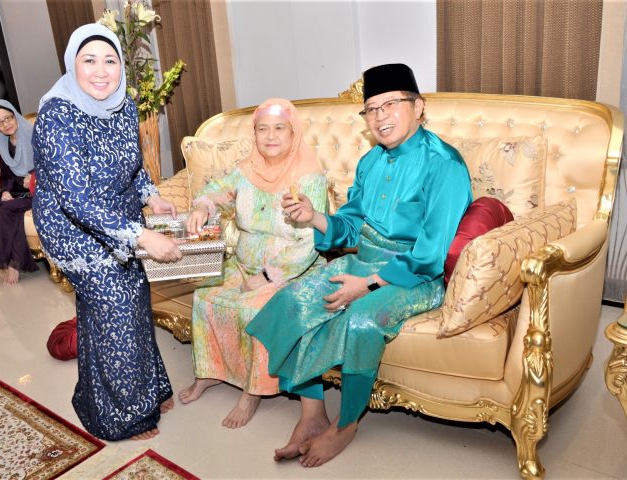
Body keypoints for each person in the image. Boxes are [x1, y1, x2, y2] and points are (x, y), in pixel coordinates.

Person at [246, 63, 473, 467]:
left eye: (391, 105)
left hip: (414, 276)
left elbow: (431, 254)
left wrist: (366, 286)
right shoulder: (370, 162)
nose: (380, 116)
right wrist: (314, 217)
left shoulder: (444, 164)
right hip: (363, 261)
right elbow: (350, 227)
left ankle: (346, 424)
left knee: (361, 320)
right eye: (371, 109)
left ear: (418, 107)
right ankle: (312, 415)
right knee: (293, 299)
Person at [32, 23, 182, 441]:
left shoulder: (124, 104)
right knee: (116, 305)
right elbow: (77, 200)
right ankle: (121, 415)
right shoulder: (57, 116)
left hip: (120, 218)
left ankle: (146, 391)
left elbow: (132, 165)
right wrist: (143, 236)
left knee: (134, 299)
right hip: (73, 229)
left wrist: (152, 197)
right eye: (89, 60)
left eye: (110, 61)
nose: (101, 71)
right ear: (72, 65)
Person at [178, 98, 328, 428]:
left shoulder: (309, 179)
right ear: (254, 134)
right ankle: (210, 371)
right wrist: (202, 206)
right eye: (263, 129)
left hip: (291, 270)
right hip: (243, 262)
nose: (270, 136)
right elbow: (215, 190)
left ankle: (252, 391)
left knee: (256, 308)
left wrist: (267, 276)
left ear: (293, 133)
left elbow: (310, 242)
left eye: (279, 128)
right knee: (205, 295)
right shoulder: (246, 170)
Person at [0, 99, 38, 285]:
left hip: (40, 190)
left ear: (15, 115)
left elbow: (52, 164)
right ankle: (11, 260)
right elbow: (6, 176)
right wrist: (6, 191)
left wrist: (33, 177)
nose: (5, 124)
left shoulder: (34, 136)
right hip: (18, 192)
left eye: (7, 118)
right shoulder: (4, 145)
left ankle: (14, 264)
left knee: (9, 210)